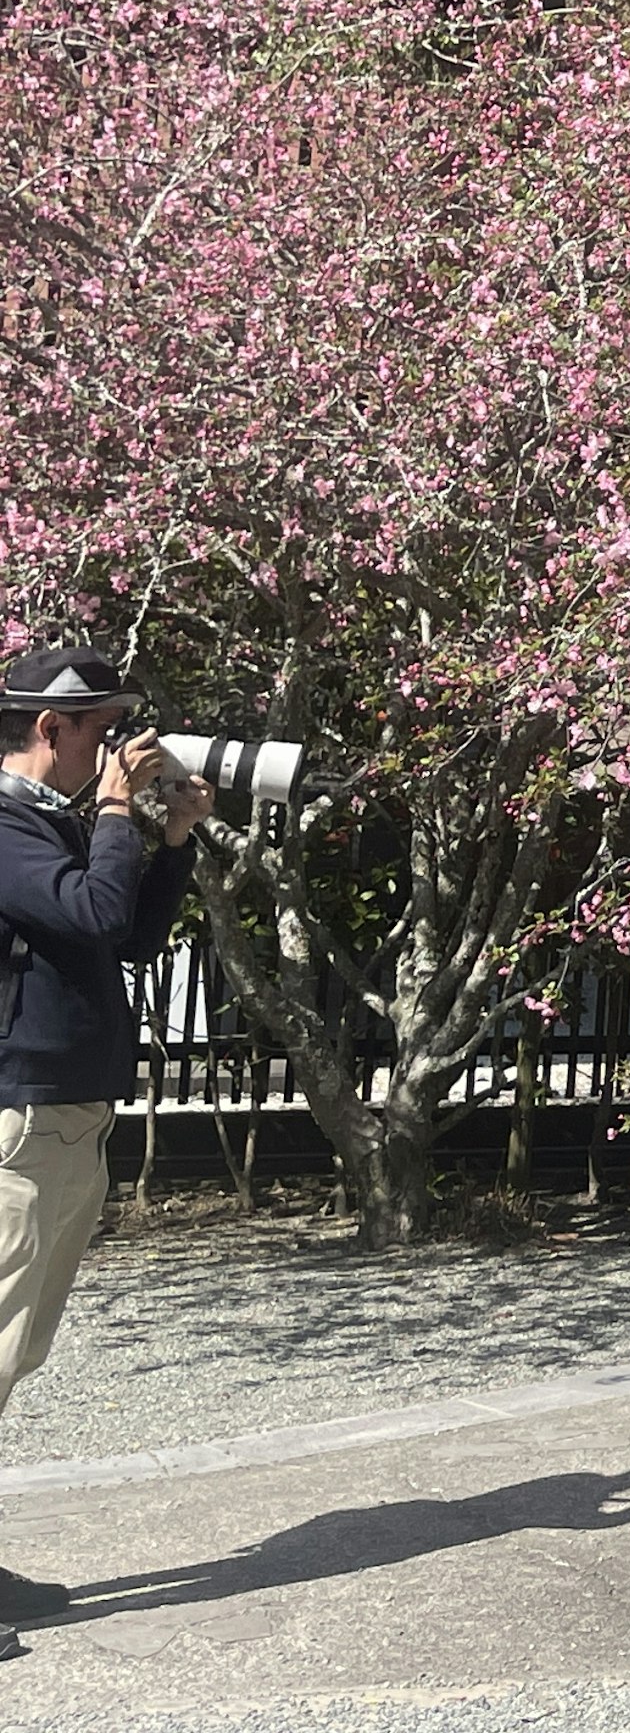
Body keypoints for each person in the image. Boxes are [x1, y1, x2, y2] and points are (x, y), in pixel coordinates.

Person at [0, 645, 205, 1659]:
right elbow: (92, 905)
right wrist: (122, 816)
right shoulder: (3, 826)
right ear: (52, 730)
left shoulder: (45, 827)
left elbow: (119, 935)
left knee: (15, 1350)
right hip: (20, 1124)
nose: (124, 747)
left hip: (62, 1119)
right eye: (109, 729)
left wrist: (170, 841)